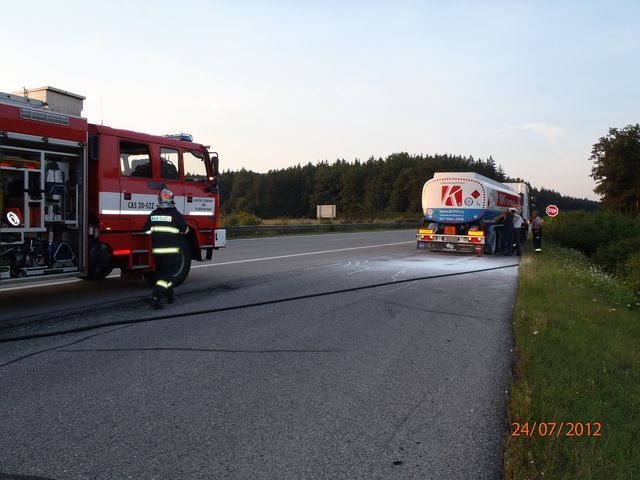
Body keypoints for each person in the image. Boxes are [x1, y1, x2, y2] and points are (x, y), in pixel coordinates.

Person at [143, 188, 189, 309]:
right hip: (171, 252)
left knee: (163, 274)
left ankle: (170, 295)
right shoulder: (175, 214)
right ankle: (156, 296)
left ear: (159, 199)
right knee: (166, 276)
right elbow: (185, 230)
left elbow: (146, 230)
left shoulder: (154, 214)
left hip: (157, 252)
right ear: (171, 200)